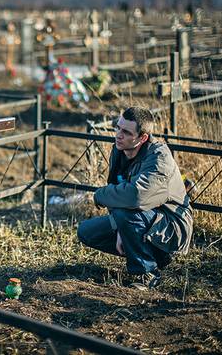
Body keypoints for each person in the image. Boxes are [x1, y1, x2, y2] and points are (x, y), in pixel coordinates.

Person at [77, 106, 193, 289]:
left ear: (142, 138)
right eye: (117, 128)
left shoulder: (159, 157)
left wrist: (100, 195)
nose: (118, 135)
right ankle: (154, 255)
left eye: (126, 132)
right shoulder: (119, 150)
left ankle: (147, 273)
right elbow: (116, 191)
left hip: (170, 224)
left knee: (126, 213)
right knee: (86, 232)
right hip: (139, 218)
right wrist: (120, 229)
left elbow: (136, 196)